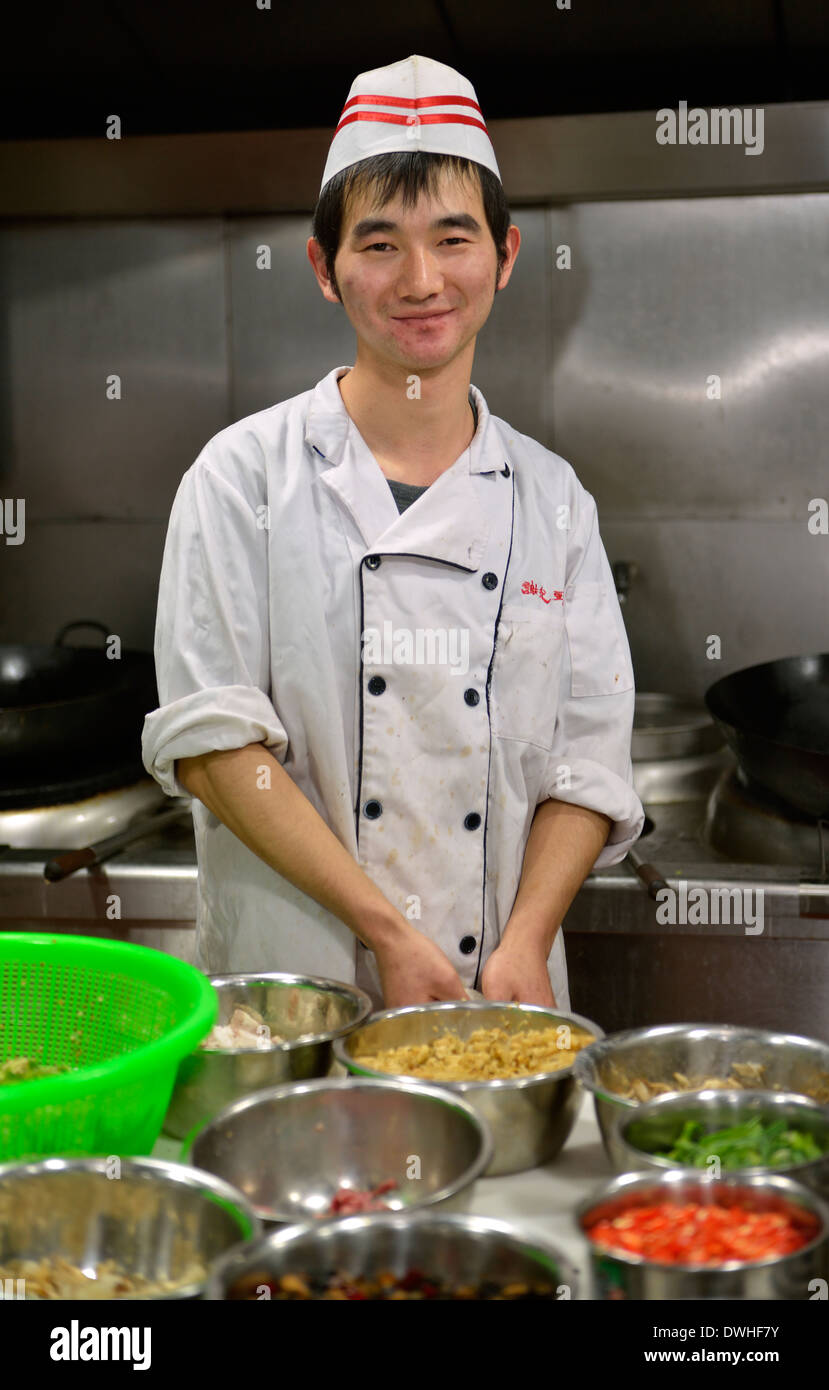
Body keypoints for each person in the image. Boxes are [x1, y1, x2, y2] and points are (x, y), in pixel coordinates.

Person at [141, 54, 644, 1012]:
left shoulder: (554, 499)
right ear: (324, 268)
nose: (421, 281)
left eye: (453, 239)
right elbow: (211, 743)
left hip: (502, 996)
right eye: (378, 245)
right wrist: (386, 936)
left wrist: (524, 944)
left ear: (505, 255)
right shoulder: (240, 476)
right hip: (299, 998)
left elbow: (588, 759)